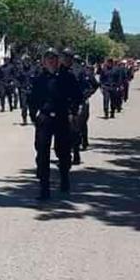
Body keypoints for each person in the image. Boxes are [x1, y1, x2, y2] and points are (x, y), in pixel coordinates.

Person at [30, 48, 82, 200]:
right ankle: (44, 189)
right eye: (48, 59)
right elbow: (32, 99)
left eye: (53, 58)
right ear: (44, 62)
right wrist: (35, 116)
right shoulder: (40, 78)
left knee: (63, 151)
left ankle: (64, 179)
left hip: (62, 118)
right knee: (42, 152)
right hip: (45, 118)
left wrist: (72, 112)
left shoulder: (67, 77)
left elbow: (77, 97)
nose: (51, 61)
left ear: (58, 60)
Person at [60, 49, 98, 165]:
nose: (65, 58)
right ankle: (64, 153)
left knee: (75, 128)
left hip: (78, 103)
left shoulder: (81, 71)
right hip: (62, 103)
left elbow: (94, 85)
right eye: (64, 56)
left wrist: (86, 95)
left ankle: (76, 152)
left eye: (68, 56)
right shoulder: (59, 70)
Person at [17, 56, 37, 125]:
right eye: (25, 61)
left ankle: (33, 118)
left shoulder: (33, 69)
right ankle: (24, 119)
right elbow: (17, 79)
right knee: (24, 106)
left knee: (32, 107)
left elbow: (37, 79)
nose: (26, 62)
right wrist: (19, 87)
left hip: (32, 91)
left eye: (27, 61)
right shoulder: (21, 70)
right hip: (24, 90)